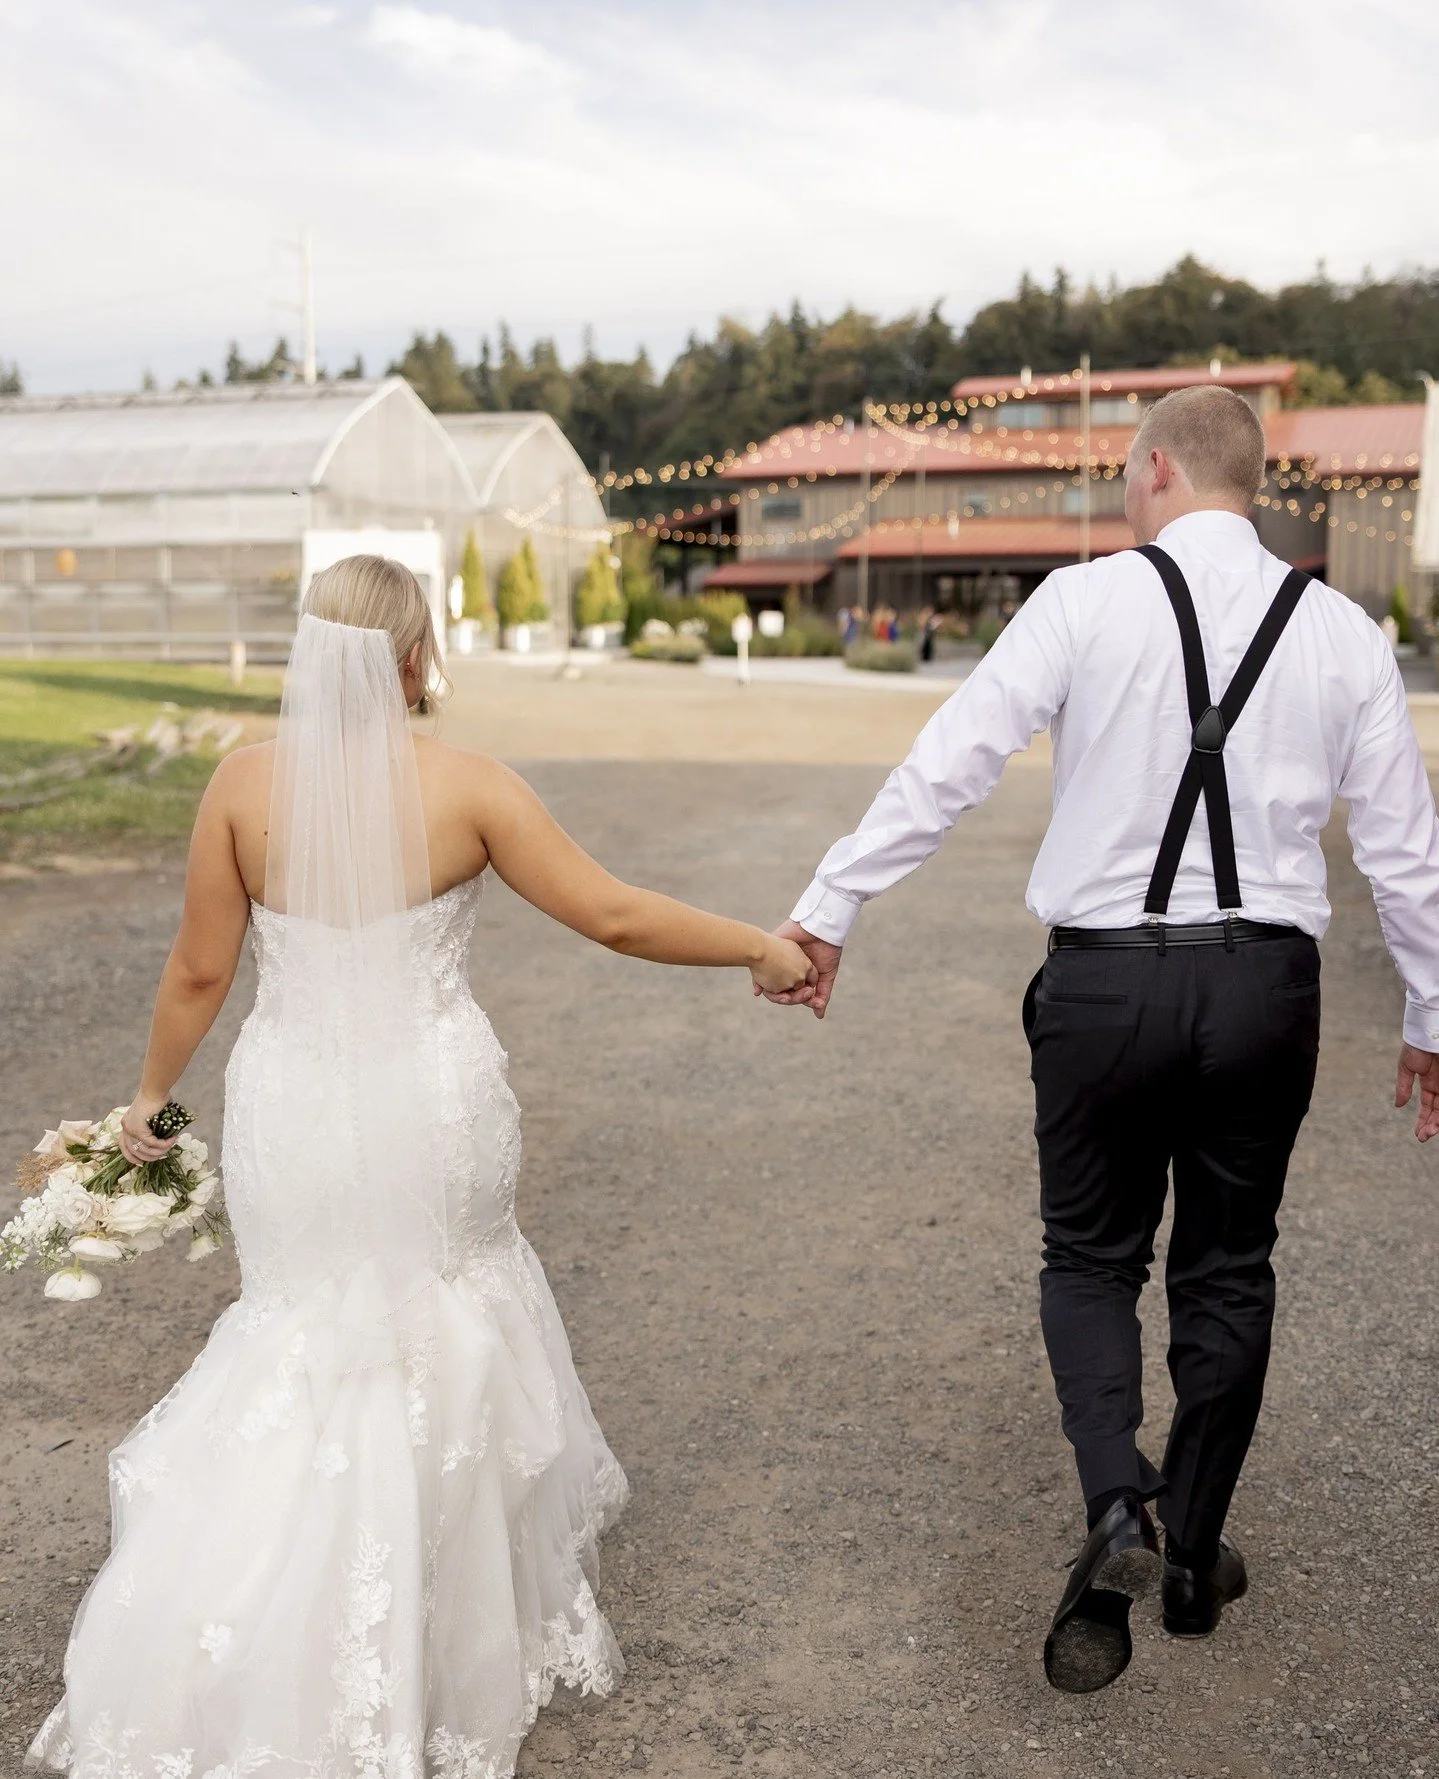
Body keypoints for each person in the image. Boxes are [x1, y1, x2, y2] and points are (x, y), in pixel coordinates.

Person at [28, 556, 815, 1777]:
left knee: (303, 1325)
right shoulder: (471, 789)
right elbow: (610, 915)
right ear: (409, 658)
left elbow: (200, 969)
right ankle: (439, 1623)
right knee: (445, 1313)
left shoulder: (242, 787)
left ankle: (251, 1615)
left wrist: (149, 1100)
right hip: (430, 1103)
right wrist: (759, 949)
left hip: (293, 1101)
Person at [759, 385, 1439, 1693]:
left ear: (1161, 469)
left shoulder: (1080, 600)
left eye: (1127, 472)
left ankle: (1122, 1509)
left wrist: (830, 905)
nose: (1122, 491)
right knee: (1226, 1268)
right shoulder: (1339, 631)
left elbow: (950, 762)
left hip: (1102, 984)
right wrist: (1429, 1012)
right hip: (1263, 987)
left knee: (1087, 1255)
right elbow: (1403, 850)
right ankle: (1188, 1550)